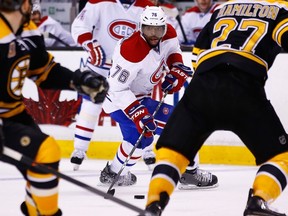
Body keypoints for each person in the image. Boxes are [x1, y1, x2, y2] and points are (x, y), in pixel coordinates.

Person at [143, 0, 288, 215]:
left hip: (202, 85)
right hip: (244, 86)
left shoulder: (223, 7)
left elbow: (198, 53)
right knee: (279, 157)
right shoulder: (280, 9)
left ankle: (154, 204)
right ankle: (258, 201)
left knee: (173, 153)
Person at [0, 0, 108, 215]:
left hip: (13, 113)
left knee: (41, 167)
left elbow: (44, 71)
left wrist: (78, 80)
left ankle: (36, 211)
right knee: (47, 150)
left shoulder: (29, 30)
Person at [99, 6, 217, 189]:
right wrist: (138, 112)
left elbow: (172, 51)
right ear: (140, 27)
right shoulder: (131, 50)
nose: (154, 34)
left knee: (140, 138)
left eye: (158, 29)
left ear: (164, 26)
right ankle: (189, 172)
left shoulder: (168, 33)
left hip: (137, 97)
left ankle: (113, 173)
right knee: (183, 123)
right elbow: (116, 89)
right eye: (148, 29)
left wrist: (176, 67)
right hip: (120, 100)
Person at [70, 0, 155, 171]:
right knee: (91, 104)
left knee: (137, 107)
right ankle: (79, 149)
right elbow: (80, 25)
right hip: (100, 66)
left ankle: (147, 149)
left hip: (129, 69)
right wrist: (89, 44)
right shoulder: (99, 2)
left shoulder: (146, 6)